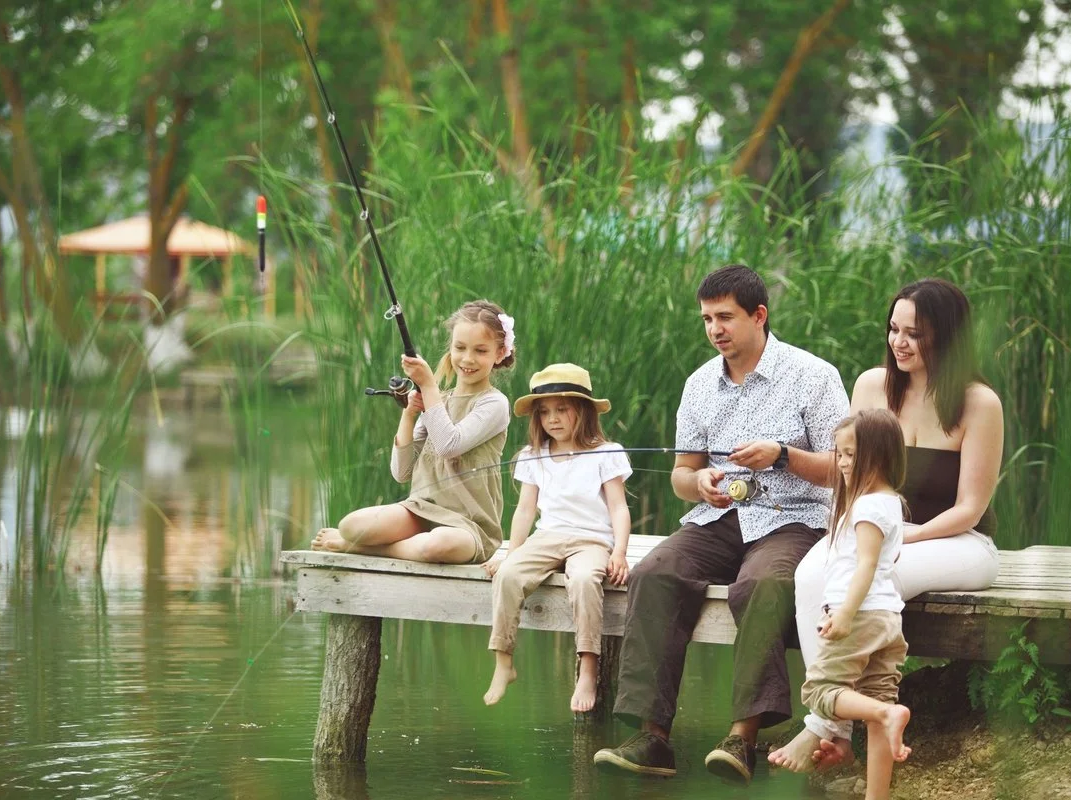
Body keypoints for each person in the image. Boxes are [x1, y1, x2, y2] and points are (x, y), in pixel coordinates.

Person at [593, 264, 849, 783]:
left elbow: (843, 469)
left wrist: (781, 456)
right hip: (718, 515)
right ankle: (653, 738)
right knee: (656, 571)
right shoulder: (699, 384)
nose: (715, 329)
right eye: (707, 319)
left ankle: (742, 738)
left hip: (792, 518)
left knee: (763, 583)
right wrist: (701, 482)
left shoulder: (814, 376)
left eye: (725, 317)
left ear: (759, 315)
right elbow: (681, 475)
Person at [769, 278, 1002, 773]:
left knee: (877, 575)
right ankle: (839, 725)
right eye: (894, 329)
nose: (899, 342)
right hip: (873, 532)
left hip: (959, 542)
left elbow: (970, 508)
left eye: (914, 334)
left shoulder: (979, 403)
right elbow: (849, 475)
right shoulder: (874, 387)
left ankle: (824, 727)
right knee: (813, 575)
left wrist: (900, 538)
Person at [311, 300, 516, 564]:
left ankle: (365, 549)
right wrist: (409, 415)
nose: (467, 359)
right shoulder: (437, 400)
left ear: (499, 354)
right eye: (460, 348)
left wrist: (428, 385)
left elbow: (448, 445)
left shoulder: (494, 404)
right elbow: (401, 473)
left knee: (440, 545)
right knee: (352, 526)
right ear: (451, 348)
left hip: (468, 526)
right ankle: (379, 542)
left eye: (480, 351)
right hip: (420, 511)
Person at [482, 364, 632, 713]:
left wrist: (620, 552)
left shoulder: (606, 451)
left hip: (591, 540)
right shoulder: (534, 456)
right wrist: (510, 552)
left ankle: (588, 668)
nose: (553, 418)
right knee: (508, 575)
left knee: (582, 579)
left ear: (583, 411)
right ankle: (504, 662)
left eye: (562, 409)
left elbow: (619, 508)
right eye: (545, 412)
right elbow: (524, 510)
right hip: (547, 537)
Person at [800, 409, 913, 800]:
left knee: (819, 692)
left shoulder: (865, 507)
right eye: (840, 454)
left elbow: (866, 564)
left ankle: (886, 714)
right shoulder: (890, 503)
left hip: (860, 616)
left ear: (877, 456)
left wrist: (844, 613)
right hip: (887, 617)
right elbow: (885, 561)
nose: (843, 463)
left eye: (851, 454)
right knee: (880, 697)